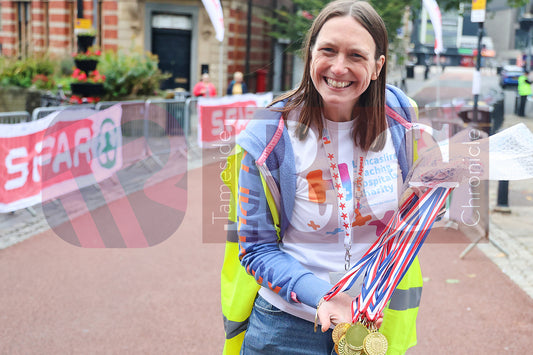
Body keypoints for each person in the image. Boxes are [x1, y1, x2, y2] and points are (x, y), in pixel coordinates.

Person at [221, 1, 424, 354]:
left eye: (356, 56)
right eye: (328, 50)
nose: (339, 67)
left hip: (371, 322)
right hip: (287, 327)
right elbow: (256, 248)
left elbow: (413, 212)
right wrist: (325, 297)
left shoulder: (400, 119)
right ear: (310, 54)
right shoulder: (269, 134)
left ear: (377, 67)